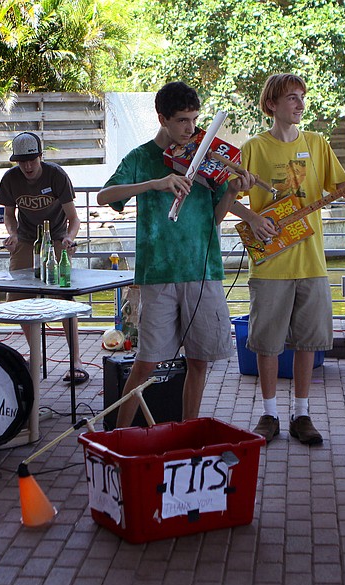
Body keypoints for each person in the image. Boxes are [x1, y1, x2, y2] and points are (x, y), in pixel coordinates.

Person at [230, 73, 345, 445]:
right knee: (267, 343)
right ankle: (269, 414)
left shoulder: (317, 143)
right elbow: (226, 196)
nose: (300, 104)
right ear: (271, 104)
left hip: (312, 262)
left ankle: (302, 414)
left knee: (308, 341)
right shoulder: (253, 148)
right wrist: (253, 218)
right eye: (291, 97)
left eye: (301, 96)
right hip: (270, 263)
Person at [96, 81, 257, 428]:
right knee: (146, 362)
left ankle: (188, 432)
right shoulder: (141, 157)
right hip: (158, 272)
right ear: (162, 119)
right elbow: (105, 196)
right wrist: (156, 183)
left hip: (203, 270)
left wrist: (231, 190)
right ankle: (120, 434)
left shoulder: (204, 157)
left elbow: (215, 219)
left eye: (195, 120)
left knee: (199, 360)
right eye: (182, 120)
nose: (191, 129)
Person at [0, 131, 87, 383]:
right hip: (26, 239)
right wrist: (12, 234)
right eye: (22, 161)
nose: (27, 166)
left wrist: (69, 238)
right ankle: (36, 354)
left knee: (65, 297)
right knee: (17, 297)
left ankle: (76, 360)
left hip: (56, 237)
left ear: (40, 157)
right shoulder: (10, 179)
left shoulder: (56, 175)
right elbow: (9, 215)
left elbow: (74, 218)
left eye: (32, 160)